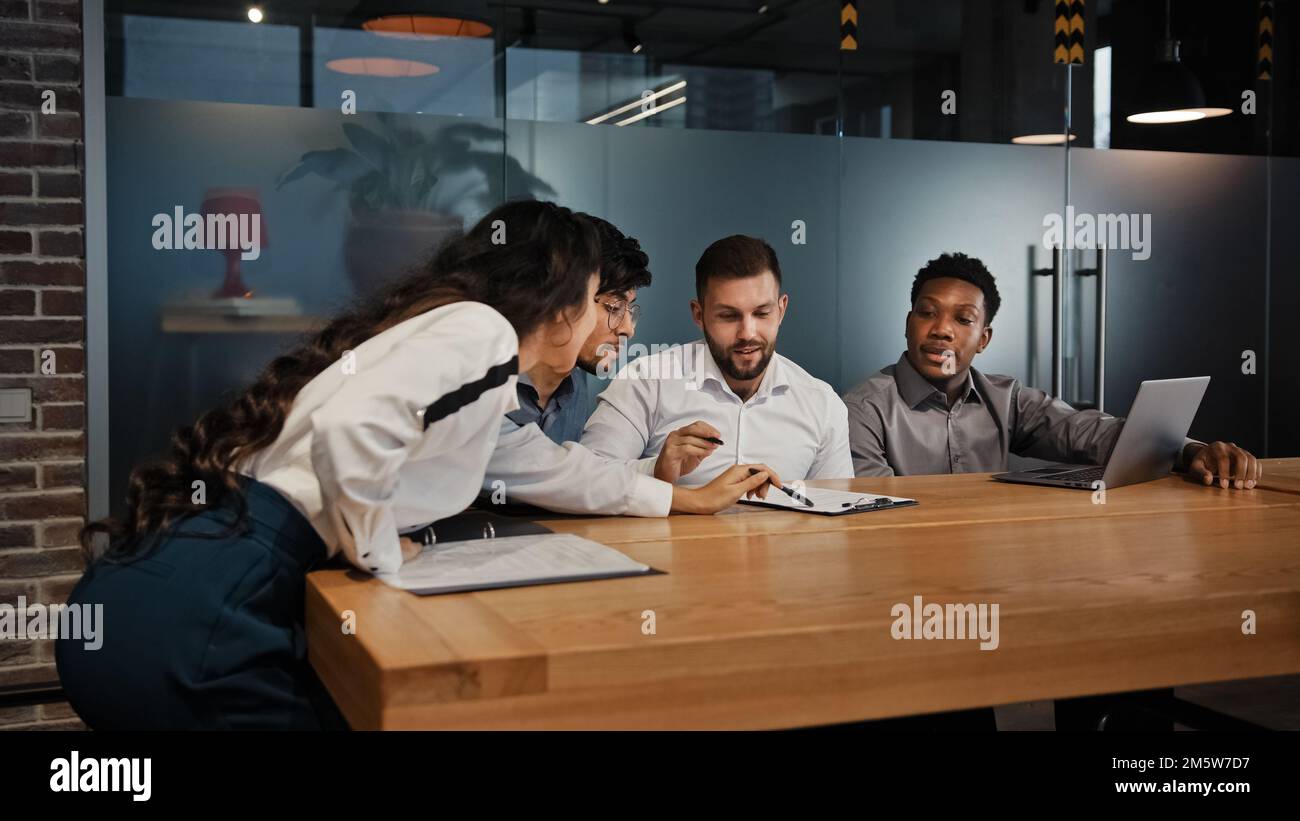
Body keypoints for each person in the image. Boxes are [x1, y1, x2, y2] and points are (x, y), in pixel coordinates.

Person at [55, 201, 780, 731]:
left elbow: (533, 462)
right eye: (598, 301)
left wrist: (367, 532)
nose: (607, 323)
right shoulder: (483, 333)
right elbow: (349, 428)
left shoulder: (451, 334)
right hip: (202, 622)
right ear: (559, 306)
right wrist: (378, 553)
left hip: (159, 591)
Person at [842, 251, 1261, 488]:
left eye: (963, 320)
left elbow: (1088, 432)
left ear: (983, 339)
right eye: (927, 313)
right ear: (907, 322)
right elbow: (878, 510)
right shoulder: (863, 408)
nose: (942, 331)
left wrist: (1191, 451)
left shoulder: (1005, 398)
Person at [485, 219, 784, 517]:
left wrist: (662, 471)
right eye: (613, 308)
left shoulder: (573, 379)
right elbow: (555, 471)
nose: (628, 329)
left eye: (629, 309)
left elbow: (578, 475)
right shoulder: (481, 377)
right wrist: (694, 500)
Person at [581, 234, 853, 489]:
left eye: (761, 313)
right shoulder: (646, 381)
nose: (747, 333)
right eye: (728, 316)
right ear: (698, 315)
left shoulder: (823, 404)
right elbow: (586, 479)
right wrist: (657, 468)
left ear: (781, 310)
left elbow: (838, 510)